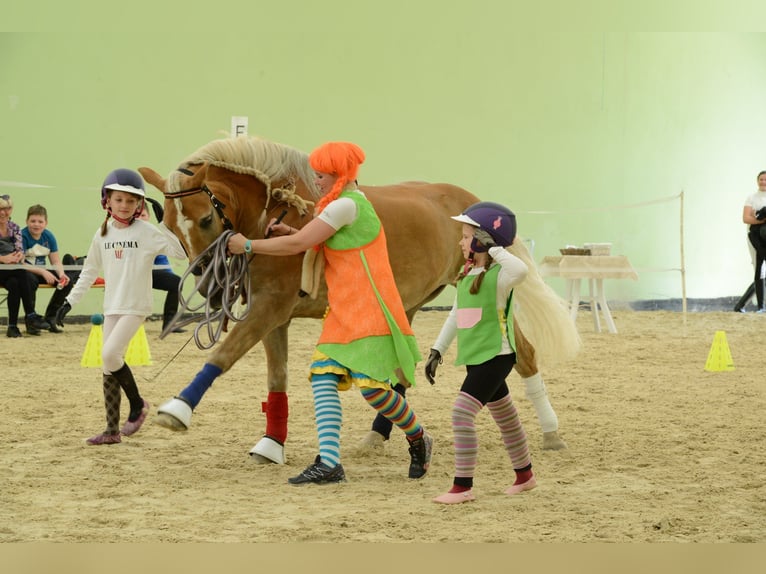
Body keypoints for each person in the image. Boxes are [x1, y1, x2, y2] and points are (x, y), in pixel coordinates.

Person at [227, 141, 433, 485]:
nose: (315, 179)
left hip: (368, 310)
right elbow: (320, 241)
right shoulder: (345, 206)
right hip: (343, 311)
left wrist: (246, 245)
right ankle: (330, 462)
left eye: (320, 174)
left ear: (338, 174)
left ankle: (418, 436)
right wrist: (294, 231)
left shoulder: (345, 206)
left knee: (374, 391)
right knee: (323, 378)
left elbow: (300, 246)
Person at [55, 169, 186, 445]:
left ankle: (138, 405)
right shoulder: (101, 233)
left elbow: (181, 253)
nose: (124, 205)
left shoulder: (147, 232)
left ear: (139, 204)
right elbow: (89, 272)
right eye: (119, 200)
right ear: (107, 201)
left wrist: (165, 226)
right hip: (112, 306)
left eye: (131, 200)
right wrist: (69, 302)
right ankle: (111, 431)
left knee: (111, 354)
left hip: (136, 306)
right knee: (107, 363)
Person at [426, 201, 536, 504]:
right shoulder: (468, 275)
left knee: (461, 414)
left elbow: (522, 269)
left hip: (496, 356)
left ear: (482, 239)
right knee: (506, 416)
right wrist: (438, 349)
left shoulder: (502, 275)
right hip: (476, 356)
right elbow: (455, 316)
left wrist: (495, 248)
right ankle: (525, 475)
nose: (460, 242)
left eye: (465, 236)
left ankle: (463, 486)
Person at [0, 195, 50, 337]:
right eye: (0, 209)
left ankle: (12, 327)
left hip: (11, 269)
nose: (3, 212)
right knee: (22, 272)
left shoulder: (14, 227)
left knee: (15, 283)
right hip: (3, 267)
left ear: (11, 210)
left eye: (7, 208)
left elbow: (19, 249)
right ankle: (31, 315)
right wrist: (3, 258)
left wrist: (18, 256)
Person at [21, 204, 75, 333]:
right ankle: (31, 321)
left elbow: (55, 260)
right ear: (27, 221)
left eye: (40, 221)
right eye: (33, 221)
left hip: (42, 271)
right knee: (29, 280)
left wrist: (61, 275)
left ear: (46, 223)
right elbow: (20, 263)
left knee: (67, 283)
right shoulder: (22, 236)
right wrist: (43, 272)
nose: (36, 225)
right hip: (27, 272)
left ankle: (51, 317)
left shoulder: (49, 236)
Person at [137, 198, 185, 333]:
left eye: (143, 215)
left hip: (150, 273)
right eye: (137, 216)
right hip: (132, 274)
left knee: (176, 282)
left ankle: (169, 324)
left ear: (149, 216)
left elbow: (165, 260)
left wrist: (163, 223)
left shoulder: (154, 234)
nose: (140, 219)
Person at [740, 170, 766, 312]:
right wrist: (762, 219)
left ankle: (740, 305)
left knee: (764, 273)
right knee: (760, 270)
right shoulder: (751, 198)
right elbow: (746, 218)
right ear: (757, 181)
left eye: (765, 180)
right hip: (755, 238)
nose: (763, 182)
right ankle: (761, 307)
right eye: (761, 179)